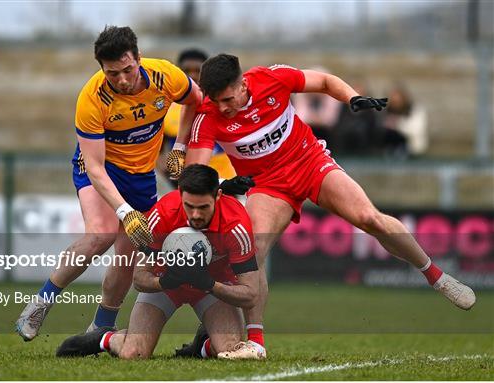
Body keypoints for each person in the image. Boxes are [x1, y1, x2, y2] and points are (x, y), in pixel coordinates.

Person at [182, 54, 476, 359]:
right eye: (215, 101)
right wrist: (221, 186)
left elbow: (323, 82)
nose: (222, 107)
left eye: (227, 99)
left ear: (242, 84)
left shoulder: (272, 79)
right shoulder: (208, 116)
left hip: (310, 162)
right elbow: (195, 175)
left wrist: (353, 98)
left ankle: (437, 277)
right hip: (268, 185)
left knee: (369, 218)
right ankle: (256, 343)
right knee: (252, 248)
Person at [15, 26, 203, 341]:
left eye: (128, 70)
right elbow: (94, 166)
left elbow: (195, 101)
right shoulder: (92, 97)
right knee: (100, 235)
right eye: (113, 74)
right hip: (101, 169)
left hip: (141, 175)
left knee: (129, 253)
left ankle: (101, 325)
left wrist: (180, 147)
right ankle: (40, 303)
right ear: (102, 69)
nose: (123, 80)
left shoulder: (164, 75)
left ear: (139, 59)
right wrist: (125, 212)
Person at [55, 164, 261, 360]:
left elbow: (250, 295)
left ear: (218, 196)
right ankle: (105, 338)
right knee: (133, 354)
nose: (196, 215)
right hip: (166, 286)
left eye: (203, 207)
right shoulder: (162, 214)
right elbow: (139, 278)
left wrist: (209, 284)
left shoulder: (236, 224)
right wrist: (164, 282)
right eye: (189, 206)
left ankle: (203, 345)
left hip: (213, 288)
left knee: (231, 351)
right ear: (180, 194)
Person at [159, 48, 235, 185]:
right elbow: (157, 149)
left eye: (198, 71)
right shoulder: (166, 109)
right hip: (186, 185)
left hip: (226, 183)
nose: (193, 76)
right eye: (187, 71)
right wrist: (167, 171)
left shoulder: (225, 106)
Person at [381, 83, 428, 158]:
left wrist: (398, 124)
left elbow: (417, 131)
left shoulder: (416, 110)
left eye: (397, 97)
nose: (395, 100)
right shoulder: (386, 112)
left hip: (412, 149)